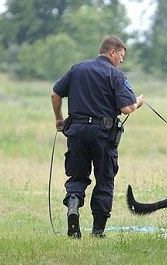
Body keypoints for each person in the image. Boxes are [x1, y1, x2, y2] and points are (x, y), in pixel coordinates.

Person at [51, 35, 144, 238]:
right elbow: (127, 108)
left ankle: (73, 207)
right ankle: (97, 231)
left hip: (76, 132)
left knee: (77, 176)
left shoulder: (77, 69)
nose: (122, 60)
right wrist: (138, 102)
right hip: (102, 135)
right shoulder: (115, 75)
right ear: (112, 52)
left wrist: (59, 119)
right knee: (104, 179)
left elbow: (55, 94)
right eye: (121, 55)